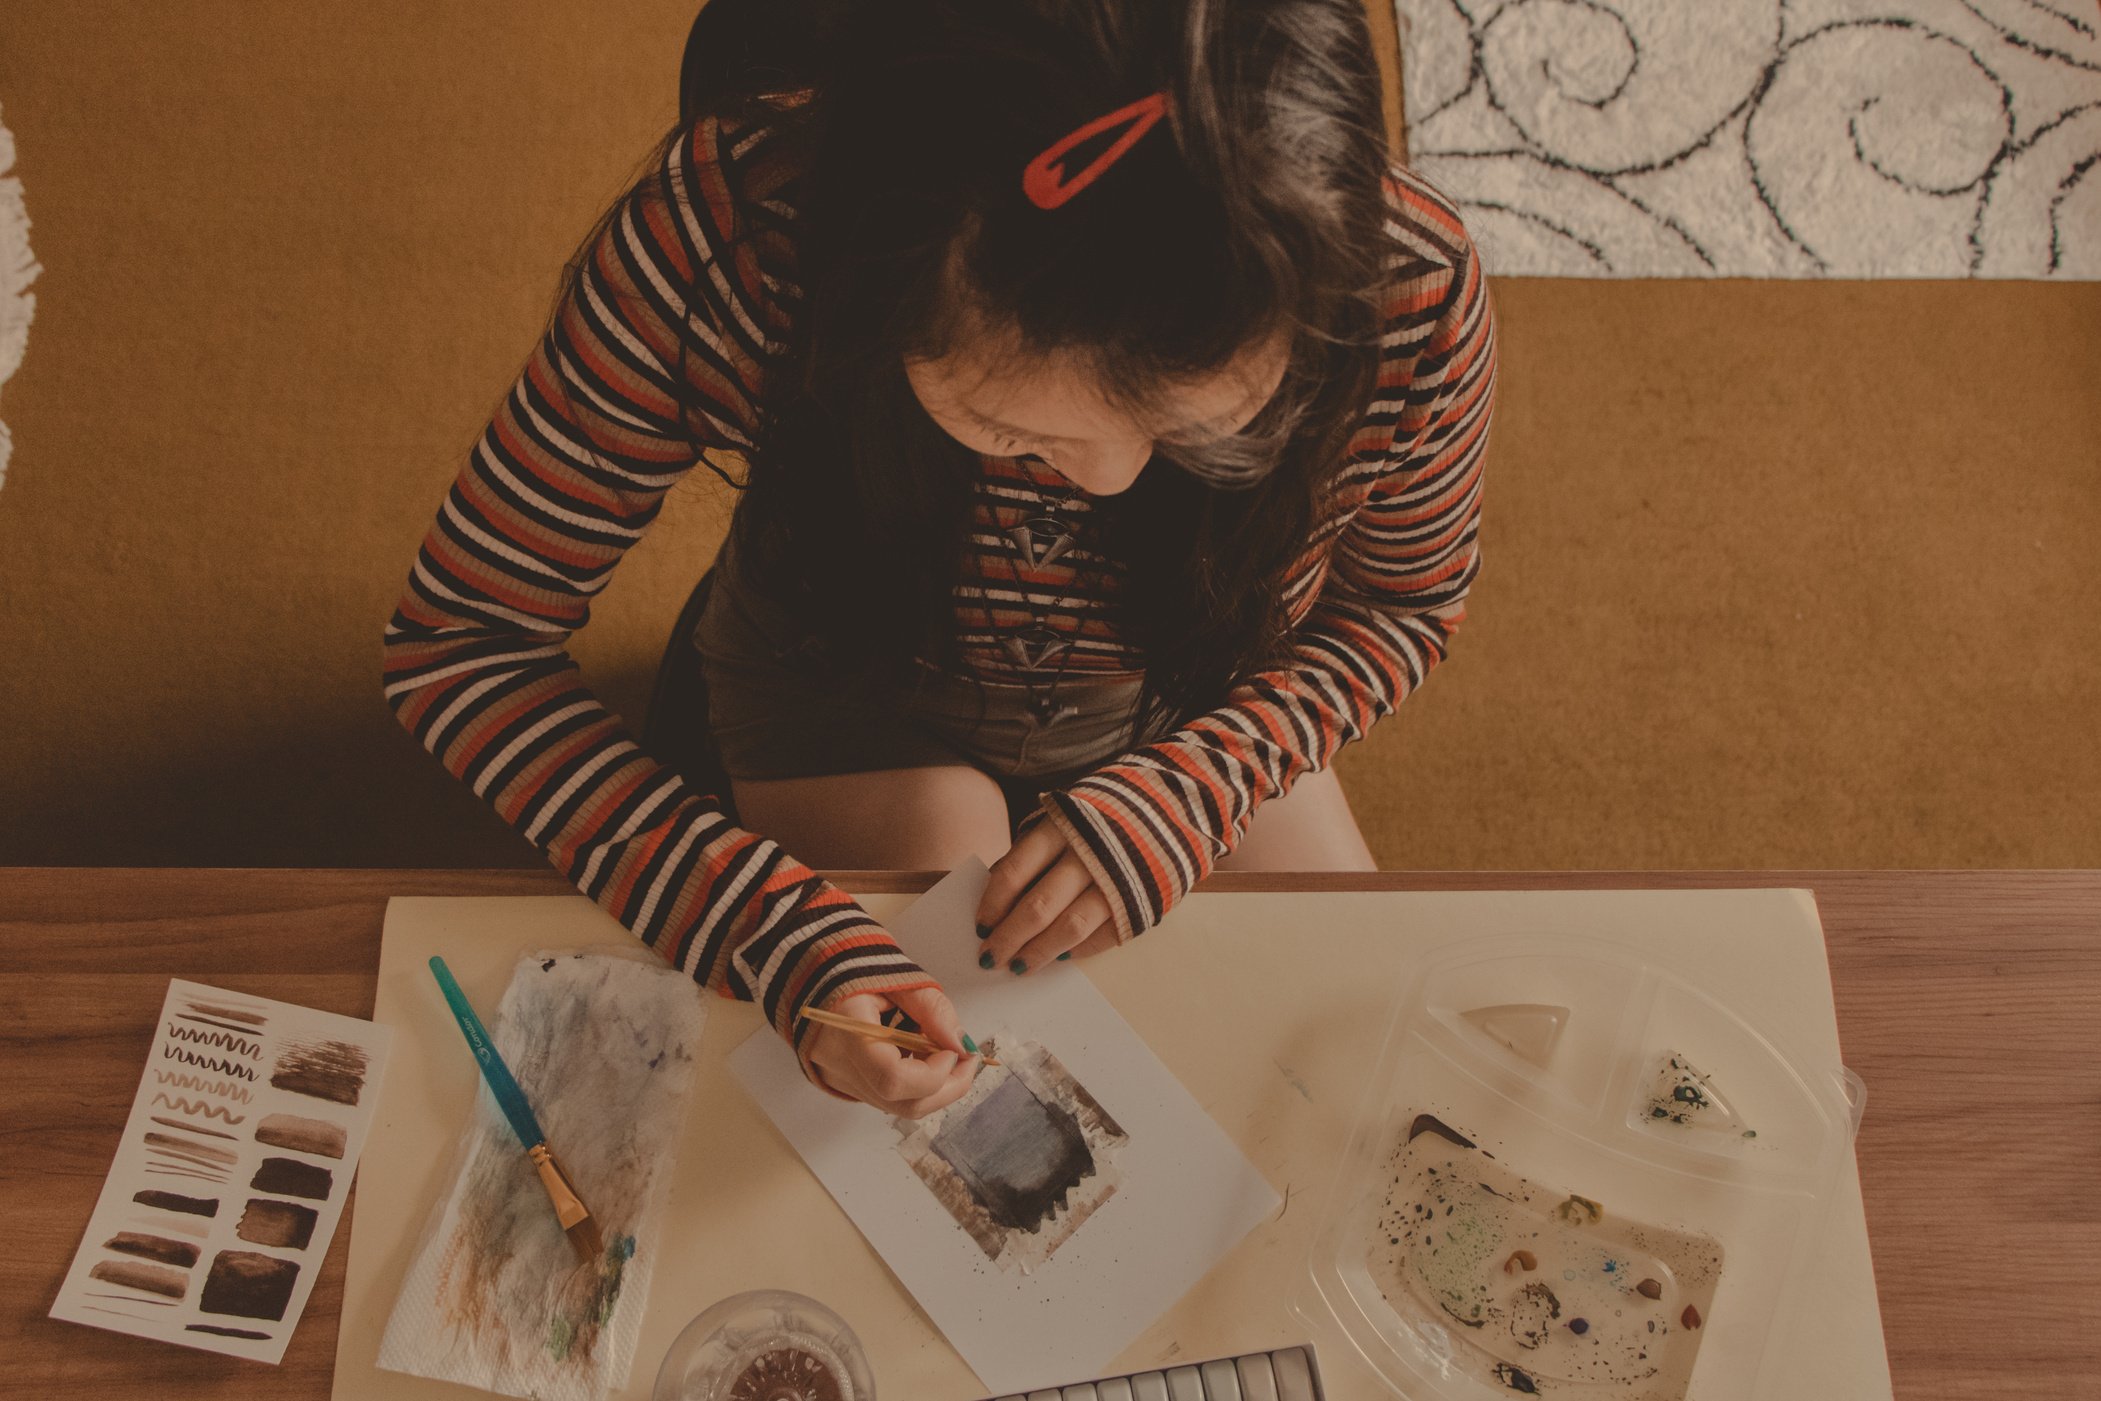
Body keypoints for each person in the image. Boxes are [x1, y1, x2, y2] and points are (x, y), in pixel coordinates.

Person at [382, 0, 1496, 1119]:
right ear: (890, 260)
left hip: (1204, 694)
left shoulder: (1402, 287)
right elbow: (461, 644)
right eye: (1016, 434)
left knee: (1363, 1073)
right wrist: (758, 919)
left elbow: (1402, 604)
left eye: (1197, 431)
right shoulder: (731, 235)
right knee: (937, 1092)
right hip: (853, 676)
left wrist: (1202, 786)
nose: (1109, 480)